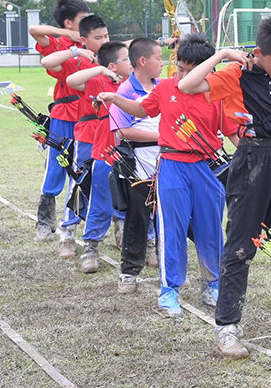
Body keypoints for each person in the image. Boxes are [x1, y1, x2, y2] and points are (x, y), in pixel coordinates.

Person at [178, 14, 271, 357]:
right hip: (249, 161)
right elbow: (187, 85)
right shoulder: (234, 75)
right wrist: (222, 54)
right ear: (259, 51)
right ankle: (227, 327)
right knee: (240, 247)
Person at [99, 33, 239, 317]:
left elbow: (233, 132)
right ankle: (170, 291)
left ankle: (212, 285)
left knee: (210, 229)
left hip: (206, 168)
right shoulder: (165, 88)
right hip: (172, 167)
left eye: (191, 70)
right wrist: (115, 98)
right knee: (171, 230)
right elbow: (141, 108)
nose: (183, 75)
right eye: (181, 68)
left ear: (207, 70)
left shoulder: (217, 93)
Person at [40, 13, 110, 259]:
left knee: (118, 183)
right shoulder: (82, 62)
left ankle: (127, 233)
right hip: (87, 130)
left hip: (114, 134)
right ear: (84, 40)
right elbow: (49, 63)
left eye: (106, 36)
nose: (103, 42)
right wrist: (75, 52)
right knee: (79, 180)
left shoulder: (116, 59)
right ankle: (67, 233)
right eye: (97, 38)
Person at [66, 41, 132, 272]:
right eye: (127, 59)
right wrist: (101, 70)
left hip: (134, 153)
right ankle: (91, 247)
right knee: (100, 202)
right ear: (113, 66)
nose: (132, 63)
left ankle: (149, 244)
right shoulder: (100, 81)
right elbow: (71, 81)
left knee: (141, 200)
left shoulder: (137, 83)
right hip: (105, 151)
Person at [28, 0, 89, 242]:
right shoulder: (58, 43)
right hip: (64, 114)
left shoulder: (90, 43)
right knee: (56, 166)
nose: (89, 23)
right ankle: (44, 220)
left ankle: (73, 222)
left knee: (83, 168)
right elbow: (34, 30)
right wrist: (69, 37)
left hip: (89, 115)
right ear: (69, 23)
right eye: (83, 20)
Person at [108, 37, 164, 294]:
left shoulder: (162, 87)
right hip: (139, 164)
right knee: (138, 217)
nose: (163, 63)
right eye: (159, 58)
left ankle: (169, 270)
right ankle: (129, 273)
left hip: (167, 160)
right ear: (143, 61)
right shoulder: (124, 92)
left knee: (169, 218)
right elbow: (122, 131)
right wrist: (161, 137)